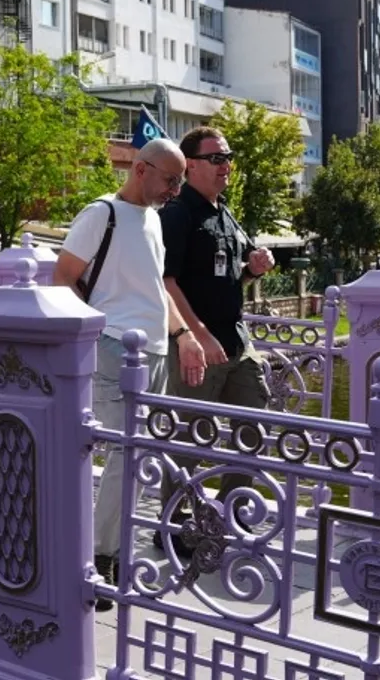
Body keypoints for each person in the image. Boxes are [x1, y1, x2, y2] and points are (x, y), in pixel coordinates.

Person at [52, 138, 206, 611]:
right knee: (127, 453)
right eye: (170, 179)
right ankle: (99, 558)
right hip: (116, 346)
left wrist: (184, 335)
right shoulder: (101, 214)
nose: (175, 190)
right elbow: (62, 278)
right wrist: (98, 331)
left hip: (154, 350)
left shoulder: (153, 220)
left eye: (179, 181)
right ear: (140, 169)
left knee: (140, 458)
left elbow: (157, 290)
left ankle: (110, 552)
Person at [157, 126, 276, 558]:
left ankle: (227, 514)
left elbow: (229, 276)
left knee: (254, 426)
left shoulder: (225, 213)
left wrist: (253, 269)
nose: (226, 165)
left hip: (236, 342)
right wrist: (196, 334)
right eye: (216, 158)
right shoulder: (178, 214)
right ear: (190, 165)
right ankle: (173, 525)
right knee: (193, 438)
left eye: (228, 158)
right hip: (196, 347)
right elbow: (166, 282)